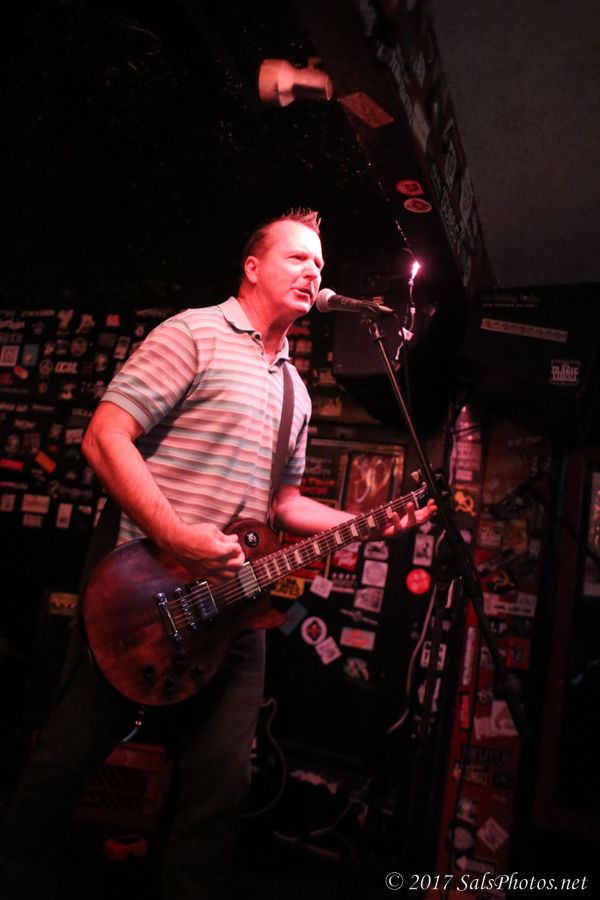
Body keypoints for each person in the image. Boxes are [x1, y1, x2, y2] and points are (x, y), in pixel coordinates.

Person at [0, 209, 435, 899]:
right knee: (63, 763)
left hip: (233, 607)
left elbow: (283, 505)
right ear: (252, 267)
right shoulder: (194, 334)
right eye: (297, 257)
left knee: (221, 789)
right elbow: (104, 436)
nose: (314, 271)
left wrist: (366, 523)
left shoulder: (295, 391)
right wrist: (176, 536)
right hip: (143, 594)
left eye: (320, 263)